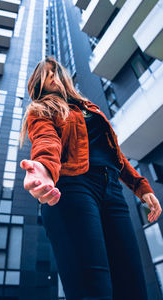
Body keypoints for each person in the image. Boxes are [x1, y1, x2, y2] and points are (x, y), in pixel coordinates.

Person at [19, 56, 162, 300]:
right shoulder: (41, 110)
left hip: (112, 192)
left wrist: (140, 186)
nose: (52, 76)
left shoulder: (88, 107)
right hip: (73, 188)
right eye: (46, 74)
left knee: (133, 287)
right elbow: (46, 141)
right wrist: (44, 168)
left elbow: (115, 154)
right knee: (94, 289)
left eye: (55, 71)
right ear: (39, 83)